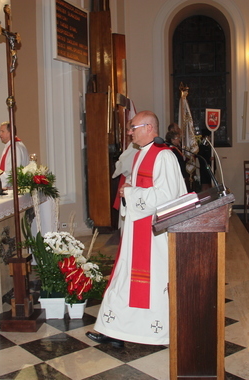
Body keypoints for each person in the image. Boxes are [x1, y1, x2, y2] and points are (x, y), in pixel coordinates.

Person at [86, 110, 187, 346]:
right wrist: (128, 192)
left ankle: (158, 332)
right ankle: (114, 330)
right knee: (123, 279)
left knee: (151, 284)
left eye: (134, 127)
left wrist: (129, 193)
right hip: (137, 231)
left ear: (149, 128)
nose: (130, 132)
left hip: (154, 235)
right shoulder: (142, 153)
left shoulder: (164, 156)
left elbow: (166, 196)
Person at [0, 121, 29, 188]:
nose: (0, 135)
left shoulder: (15, 148)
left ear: (10, 132)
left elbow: (12, 172)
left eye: (2, 131)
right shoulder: (12, 145)